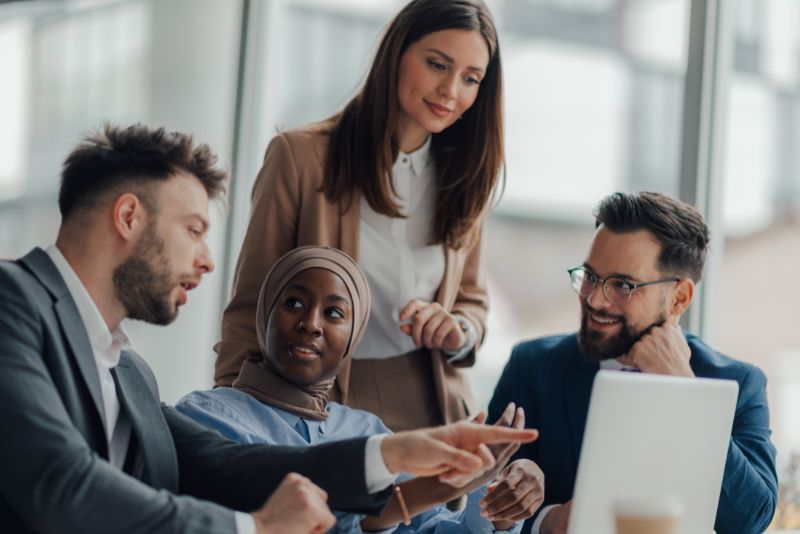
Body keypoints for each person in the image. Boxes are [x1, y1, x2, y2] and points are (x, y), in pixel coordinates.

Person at [0, 124, 539, 533]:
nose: (208, 261)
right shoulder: (12, 302)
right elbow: (59, 485)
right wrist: (251, 528)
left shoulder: (131, 374)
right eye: (193, 230)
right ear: (128, 216)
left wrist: (398, 454)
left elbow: (234, 464)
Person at [215, 0, 505, 431]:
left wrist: (457, 330)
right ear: (396, 54)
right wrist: (228, 418)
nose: (451, 91)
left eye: (470, 78)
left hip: (434, 402)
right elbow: (250, 306)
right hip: (319, 399)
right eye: (437, 64)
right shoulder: (300, 159)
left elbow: (472, 302)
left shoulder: (465, 173)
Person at [178, 246, 546, 533]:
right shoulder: (204, 416)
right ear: (264, 315)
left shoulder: (367, 431)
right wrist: (434, 489)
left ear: (353, 337)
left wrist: (494, 505)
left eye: (334, 313)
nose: (310, 324)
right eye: (293, 303)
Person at [488, 192, 778, 534]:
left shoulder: (738, 383)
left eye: (622, 285)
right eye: (590, 277)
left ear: (679, 298)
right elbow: (477, 508)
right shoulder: (533, 367)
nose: (595, 299)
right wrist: (543, 522)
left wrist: (685, 392)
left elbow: (750, 521)